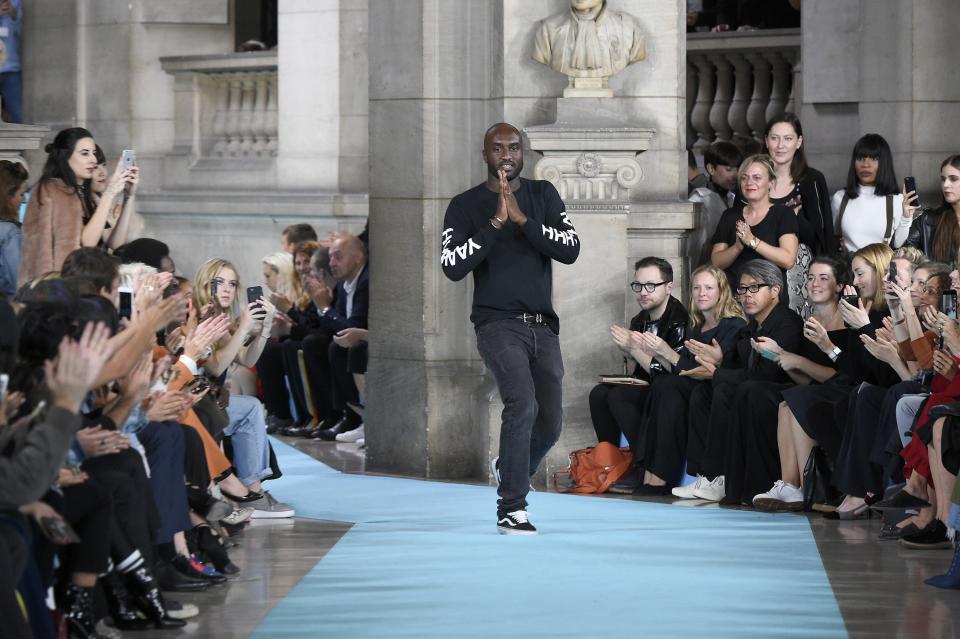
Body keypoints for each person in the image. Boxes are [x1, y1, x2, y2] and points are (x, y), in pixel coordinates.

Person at [441, 122, 580, 535]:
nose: (507, 154)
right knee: (522, 403)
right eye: (498, 148)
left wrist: (522, 220)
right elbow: (452, 266)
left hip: (543, 326)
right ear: (485, 154)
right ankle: (512, 507)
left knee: (551, 422)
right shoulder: (464, 205)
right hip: (497, 324)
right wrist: (495, 225)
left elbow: (569, 249)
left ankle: (510, 467)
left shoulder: (543, 195)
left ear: (524, 153)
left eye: (514, 147)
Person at [682, 259, 803, 503]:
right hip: (754, 386)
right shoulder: (752, 326)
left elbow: (768, 374)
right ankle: (710, 475)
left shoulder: (787, 323)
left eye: (754, 288)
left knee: (732, 389)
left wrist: (718, 373)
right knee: (703, 393)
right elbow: (735, 365)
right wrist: (719, 361)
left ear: (775, 291)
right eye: (743, 289)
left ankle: (729, 479)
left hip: (781, 391)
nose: (747, 295)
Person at [590, 256, 689, 494]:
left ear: (668, 287)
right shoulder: (640, 319)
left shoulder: (679, 320)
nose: (643, 292)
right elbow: (639, 372)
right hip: (650, 385)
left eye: (650, 286)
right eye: (638, 286)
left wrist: (634, 348)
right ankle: (614, 462)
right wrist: (629, 355)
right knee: (600, 394)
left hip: (671, 392)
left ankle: (641, 463)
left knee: (619, 397)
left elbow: (671, 373)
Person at [18, 128, 136, 285]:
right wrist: (109, 193)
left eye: (93, 153)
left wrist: (129, 196)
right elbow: (85, 245)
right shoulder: (55, 190)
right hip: (64, 286)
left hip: (90, 281)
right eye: (85, 153)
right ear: (66, 157)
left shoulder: (86, 194)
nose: (93, 160)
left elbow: (116, 244)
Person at [763, 113, 835, 311]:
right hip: (761, 273)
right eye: (774, 138)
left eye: (788, 139)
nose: (780, 145)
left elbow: (822, 236)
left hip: (803, 274)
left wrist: (794, 217)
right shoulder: (753, 179)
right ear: (766, 140)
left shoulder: (812, 180)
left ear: (798, 142)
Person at [710, 154, 799, 306]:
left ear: (771, 182)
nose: (749, 182)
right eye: (744, 178)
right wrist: (737, 247)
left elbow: (788, 260)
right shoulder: (730, 216)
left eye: (757, 177)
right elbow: (716, 262)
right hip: (734, 300)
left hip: (770, 302)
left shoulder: (783, 214)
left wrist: (752, 241)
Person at [312, 233, 370, 441]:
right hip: (358, 343)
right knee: (318, 344)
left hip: (371, 343)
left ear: (357, 257)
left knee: (345, 348)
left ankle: (360, 417)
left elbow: (352, 328)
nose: (332, 263)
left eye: (338, 256)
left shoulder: (366, 281)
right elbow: (337, 330)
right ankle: (342, 414)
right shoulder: (345, 285)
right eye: (330, 257)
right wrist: (324, 309)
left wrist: (325, 308)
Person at [832, 134, 908, 252]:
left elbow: (898, 243)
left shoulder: (896, 200)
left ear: (884, 163)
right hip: (847, 267)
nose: (866, 164)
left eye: (874, 159)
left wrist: (907, 217)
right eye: (861, 158)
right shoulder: (840, 197)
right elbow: (834, 235)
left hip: (882, 268)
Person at [689, 141, 743, 265]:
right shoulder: (699, 199)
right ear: (711, 169)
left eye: (737, 168)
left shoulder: (731, 197)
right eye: (728, 169)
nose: (735, 175)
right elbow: (695, 247)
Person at [904, 155, 960, 264]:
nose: (946, 185)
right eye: (943, 179)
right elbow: (902, 255)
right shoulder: (927, 220)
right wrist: (906, 219)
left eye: (953, 179)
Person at [0, 159, 27, 296]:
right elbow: (19, 284)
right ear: (8, 195)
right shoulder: (10, 232)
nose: (24, 200)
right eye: (22, 194)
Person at [0, 0, 22, 123]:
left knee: (17, 113)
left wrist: (14, 15)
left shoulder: (16, 3)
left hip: (11, 69)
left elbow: (24, 33)